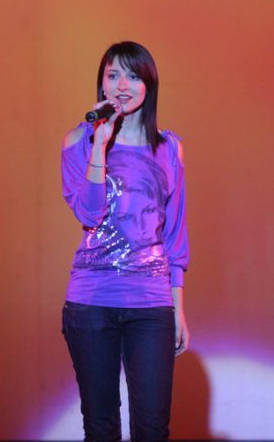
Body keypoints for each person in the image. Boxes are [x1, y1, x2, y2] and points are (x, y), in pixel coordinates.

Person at [60, 41, 190, 442]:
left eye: (133, 76)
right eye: (113, 75)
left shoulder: (169, 149)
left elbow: (175, 233)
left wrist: (178, 307)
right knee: (101, 428)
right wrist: (100, 146)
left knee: (152, 429)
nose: (122, 86)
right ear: (101, 84)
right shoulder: (77, 142)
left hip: (150, 303)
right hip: (91, 302)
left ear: (148, 85)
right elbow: (89, 214)